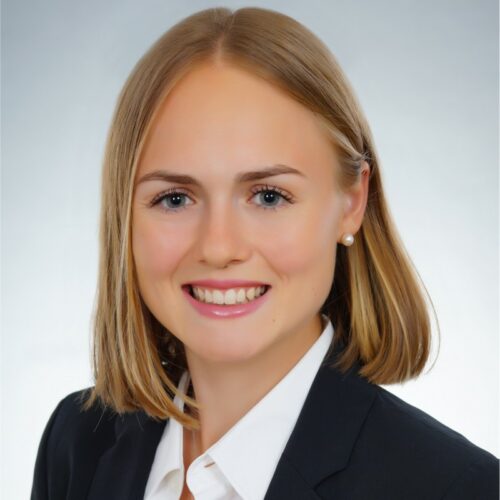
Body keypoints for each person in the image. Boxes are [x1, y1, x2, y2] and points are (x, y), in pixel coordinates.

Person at [30, 6, 498, 500]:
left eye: (269, 196)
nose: (219, 247)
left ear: (352, 202)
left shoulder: (459, 488)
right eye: (175, 199)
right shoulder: (78, 442)